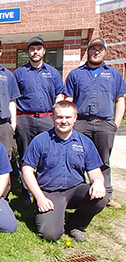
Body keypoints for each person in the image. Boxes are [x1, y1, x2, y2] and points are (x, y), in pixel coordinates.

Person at [22, 101, 108, 242]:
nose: (64, 121)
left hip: (76, 190)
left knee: (101, 196)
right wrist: (39, 198)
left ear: (75, 118)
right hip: (49, 193)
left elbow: (95, 171)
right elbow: (26, 169)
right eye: (60, 117)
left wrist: (98, 182)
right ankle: (50, 214)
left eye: (68, 117)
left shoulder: (84, 142)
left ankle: (76, 224)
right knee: (50, 235)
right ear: (52, 117)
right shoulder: (40, 140)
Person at [65, 37, 126, 209]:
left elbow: (120, 99)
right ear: (88, 51)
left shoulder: (113, 74)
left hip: (104, 124)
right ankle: (78, 192)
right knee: (76, 158)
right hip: (81, 123)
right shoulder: (76, 74)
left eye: (100, 49)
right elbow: (69, 99)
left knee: (103, 160)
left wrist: (116, 124)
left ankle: (106, 195)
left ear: (105, 52)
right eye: (93, 49)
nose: (96, 52)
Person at [13, 36, 66, 203]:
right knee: (25, 156)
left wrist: (55, 115)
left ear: (44, 51)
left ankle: (46, 188)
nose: (35, 51)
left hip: (46, 119)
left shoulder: (53, 73)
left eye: (38, 48)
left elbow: (60, 94)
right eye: (32, 49)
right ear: (28, 52)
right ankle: (26, 190)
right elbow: (13, 99)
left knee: (48, 154)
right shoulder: (19, 73)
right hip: (25, 120)